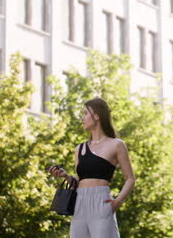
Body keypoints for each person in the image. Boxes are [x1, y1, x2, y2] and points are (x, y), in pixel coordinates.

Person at [48, 97, 135, 238]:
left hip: (101, 201)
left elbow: (130, 178)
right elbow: (78, 182)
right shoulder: (79, 149)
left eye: (85, 113)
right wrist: (65, 176)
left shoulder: (116, 144)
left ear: (97, 115)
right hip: (80, 203)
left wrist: (117, 202)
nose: (82, 118)